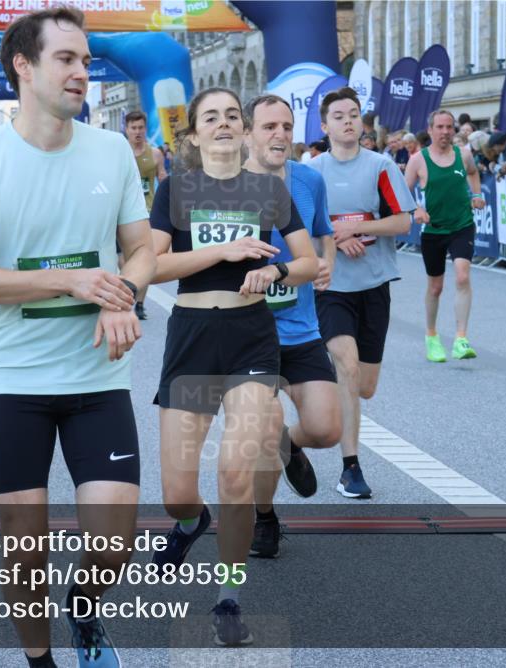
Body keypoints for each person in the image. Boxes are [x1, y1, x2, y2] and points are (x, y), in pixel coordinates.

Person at [0, 9, 156, 667]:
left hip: (97, 377)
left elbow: (142, 249)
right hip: (15, 380)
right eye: (66, 59)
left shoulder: (111, 152)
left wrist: (124, 293)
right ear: (23, 67)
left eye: (86, 60)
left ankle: (83, 608)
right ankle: (41, 663)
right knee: (25, 547)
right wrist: (72, 281)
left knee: (113, 543)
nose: (81, 72)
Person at [148, 87, 316, 646]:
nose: (223, 124)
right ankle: (190, 521)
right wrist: (223, 252)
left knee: (235, 475)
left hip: (250, 340)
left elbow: (309, 260)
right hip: (192, 339)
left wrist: (276, 272)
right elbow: (151, 265)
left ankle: (229, 598)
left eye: (231, 116)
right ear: (194, 134)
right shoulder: (175, 189)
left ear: (244, 131)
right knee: (177, 491)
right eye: (210, 117)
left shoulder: (268, 190)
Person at [242, 94, 341, 558]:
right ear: (248, 133)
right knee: (264, 429)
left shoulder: (309, 180)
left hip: (301, 328)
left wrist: (326, 263)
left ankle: (288, 444)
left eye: (286, 126)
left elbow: (324, 234)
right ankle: (264, 518)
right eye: (269, 126)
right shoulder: (226, 186)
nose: (280, 134)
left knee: (325, 429)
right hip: (247, 333)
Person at [308, 87, 415, 498]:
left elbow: (402, 222)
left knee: (364, 385)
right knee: (347, 366)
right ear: (325, 126)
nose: (348, 121)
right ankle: (350, 467)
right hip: (330, 286)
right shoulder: (311, 172)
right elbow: (300, 228)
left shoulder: (381, 166)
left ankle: (301, 434)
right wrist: (334, 237)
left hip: (373, 284)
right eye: (339, 116)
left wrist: (355, 227)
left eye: (353, 114)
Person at [405, 110, 485, 363]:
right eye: (440, 127)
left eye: (449, 127)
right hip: (433, 230)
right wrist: (416, 210)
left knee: (462, 276)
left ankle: (461, 339)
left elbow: (473, 172)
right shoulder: (418, 160)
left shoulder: (464, 155)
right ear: (430, 130)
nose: (445, 132)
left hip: (462, 225)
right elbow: (402, 192)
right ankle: (431, 336)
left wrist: (476, 194)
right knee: (435, 287)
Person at [122, 110, 167, 320]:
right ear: (126, 129)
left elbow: (162, 176)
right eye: (133, 128)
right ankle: (128, 291)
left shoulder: (155, 154)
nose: (137, 132)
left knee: (145, 258)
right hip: (123, 212)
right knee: (123, 260)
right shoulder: (119, 152)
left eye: (141, 127)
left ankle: (139, 303)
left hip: (147, 211)